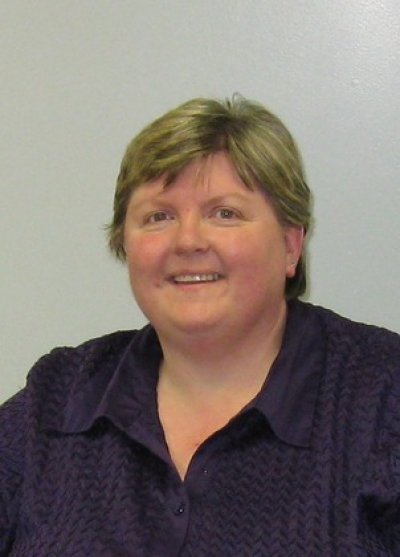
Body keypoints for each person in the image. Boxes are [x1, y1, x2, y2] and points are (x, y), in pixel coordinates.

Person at [1, 95, 399, 556]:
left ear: (291, 245)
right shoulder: (57, 398)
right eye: (159, 217)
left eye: (224, 213)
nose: (188, 240)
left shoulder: (383, 396)